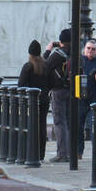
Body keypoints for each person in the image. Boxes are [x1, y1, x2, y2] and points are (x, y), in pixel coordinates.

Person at [18, 40, 53, 161]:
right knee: (42, 126)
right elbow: (51, 83)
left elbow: (20, 84)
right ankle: (41, 154)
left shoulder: (28, 66)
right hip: (44, 99)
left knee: (31, 125)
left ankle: (30, 152)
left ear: (30, 53)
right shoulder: (46, 66)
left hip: (31, 101)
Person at [44, 29, 71, 162]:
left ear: (61, 41)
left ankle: (62, 154)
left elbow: (43, 67)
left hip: (58, 90)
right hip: (73, 91)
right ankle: (71, 153)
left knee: (59, 122)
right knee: (69, 122)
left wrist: (48, 50)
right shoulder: (76, 53)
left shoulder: (57, 55)